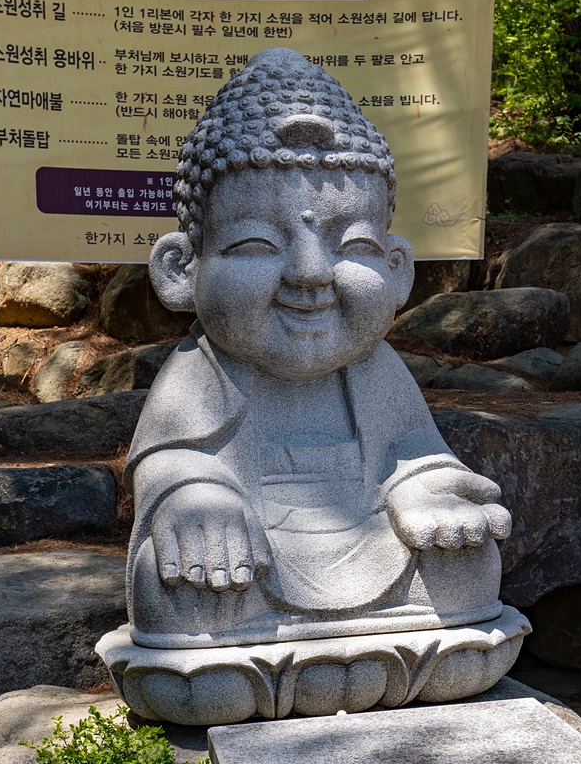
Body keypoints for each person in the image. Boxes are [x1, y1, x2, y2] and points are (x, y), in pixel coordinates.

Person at [125, 47, 511, 649]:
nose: (310, 274)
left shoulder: (376, 368)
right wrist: (197, 500)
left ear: (397, 270)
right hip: (250, 561)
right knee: (170, 584)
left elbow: (416, 455)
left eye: (352, 246)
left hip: (370, 543)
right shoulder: (199, 374)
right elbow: (170, 463)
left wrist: (424, 492)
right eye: (256, 246)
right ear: (181, 270)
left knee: (469, 568)